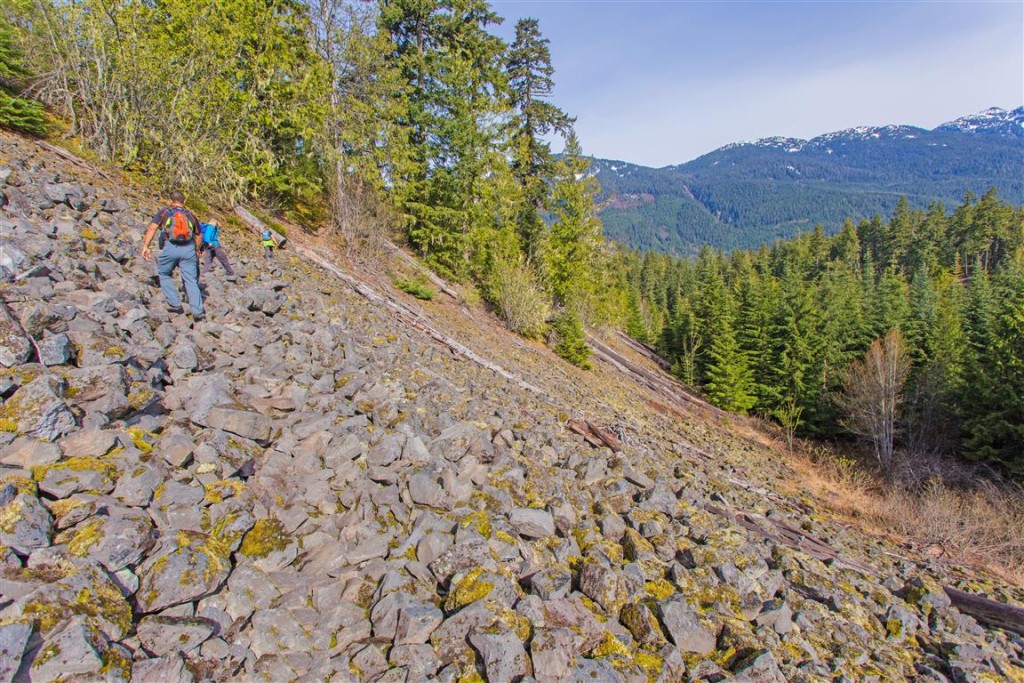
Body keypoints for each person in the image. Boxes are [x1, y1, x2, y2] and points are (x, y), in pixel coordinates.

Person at [140, 190, 204, 320]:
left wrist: (146, 246)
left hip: (171, 246)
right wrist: (197, 249)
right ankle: (197, 311)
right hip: (188, 249)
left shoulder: (165, 212)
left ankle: (175, 303)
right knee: (190, 279)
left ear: (170, 201)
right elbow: (198, 235)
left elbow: (152, 228)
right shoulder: (190, 215)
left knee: (164, 273)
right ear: (184, 202)